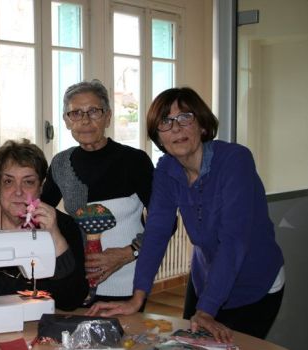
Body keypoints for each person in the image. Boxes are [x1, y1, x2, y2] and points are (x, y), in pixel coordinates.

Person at [86, 87, 285, 343]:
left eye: (185, 118)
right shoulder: (167, 169)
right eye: (165, 122)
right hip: (206, 277)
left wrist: (206, 310)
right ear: (158, 136)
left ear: (202, 125)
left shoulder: (235, 161)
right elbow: (157, 231)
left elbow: (234, 240)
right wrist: (137, 297)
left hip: (254, 283)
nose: (176, 129)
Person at [41, 80, 154, 305]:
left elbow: (166, 223)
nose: (85, 120)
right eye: (75, 113)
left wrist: (128, 253)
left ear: (108, 116)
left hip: (129, 280)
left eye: (93, 111)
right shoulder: (61, 163)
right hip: (81, 279)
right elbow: (40, 211)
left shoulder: (135, 161)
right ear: (66, 120)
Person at [0, 139, 88, 310]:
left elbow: (73, 300)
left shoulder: (64, 227)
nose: (18, 192)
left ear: (41, 187)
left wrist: (55, 237)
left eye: (28, 182)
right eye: (8, 181)